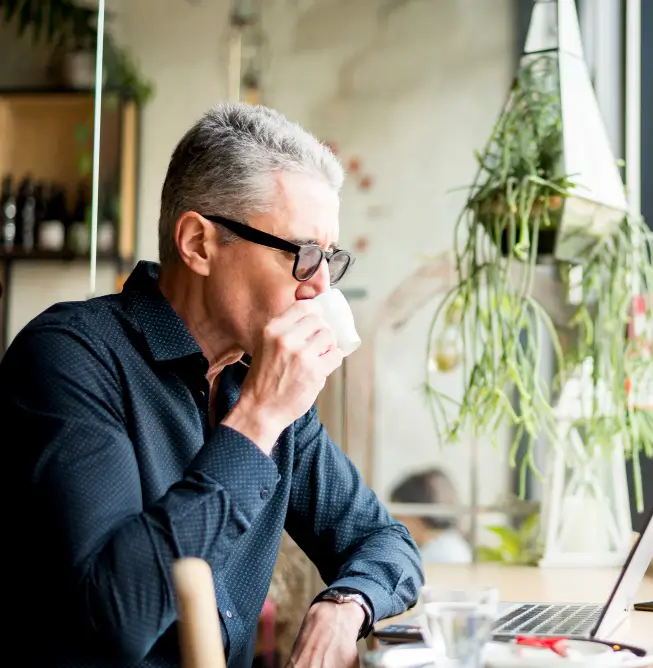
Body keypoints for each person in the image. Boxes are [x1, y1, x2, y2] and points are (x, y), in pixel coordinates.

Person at [1, 103, 423, 667]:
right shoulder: (69, 359)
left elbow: (383, 540)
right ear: (198, 243)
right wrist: (258, 419)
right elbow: (114, 622)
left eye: (329, 258)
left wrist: (347, 603)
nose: (320, 287)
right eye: (302, 254)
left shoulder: (259, 382)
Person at [390, 469, 473, 565]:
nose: (394, 522)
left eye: (399, 515)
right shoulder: (450, 544)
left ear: (417, 513)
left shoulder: (440, 554)